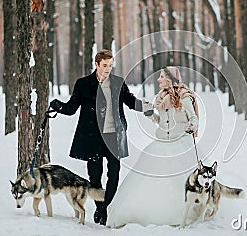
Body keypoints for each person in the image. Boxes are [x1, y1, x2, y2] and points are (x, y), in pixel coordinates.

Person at [49, 49, 152, 225]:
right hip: (92, 138)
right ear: (96, 64)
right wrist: (57, 106)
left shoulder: (118, 83)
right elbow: (71, 108)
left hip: (114, 137)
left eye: (110, 65)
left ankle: (106, 209)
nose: (108, 69)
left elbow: (130, 101)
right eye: (105, 65)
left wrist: (148, 107)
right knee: (95, 177)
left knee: (114, 174)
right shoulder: (83, 84)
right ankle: (99, 206)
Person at [106, 66, 200, 228]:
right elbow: (161, 121)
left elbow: (194, 118)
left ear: (170, 79)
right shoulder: (160, 98)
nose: (159, 79)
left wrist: (191, 127)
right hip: (162, 142)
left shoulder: (185, 97)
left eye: (162, 76)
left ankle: (185, 212)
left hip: (180, 144)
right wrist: (151, 115)